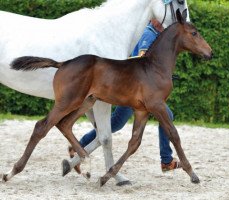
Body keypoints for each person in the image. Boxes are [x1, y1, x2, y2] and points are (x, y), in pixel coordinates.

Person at [69, 19, 181, 174]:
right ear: (154, 19)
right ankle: (166, 160)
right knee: (118, 123)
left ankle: (166, 160)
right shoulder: (149, 34)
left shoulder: (158, 33)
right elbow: (142, 60)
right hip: (134, 89)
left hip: (140, 89)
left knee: (116, 124)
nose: (165, 21)